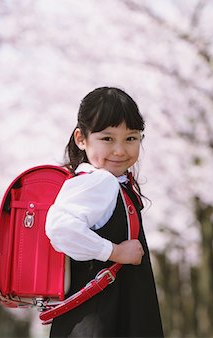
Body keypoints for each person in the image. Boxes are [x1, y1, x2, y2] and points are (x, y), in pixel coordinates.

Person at [45, 87, 164, 338]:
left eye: (131, 138)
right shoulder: (100, 182)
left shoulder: (114, 183)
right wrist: (115, 251)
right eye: (107, 139)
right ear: (81, 138)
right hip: (101, 322)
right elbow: (60, 228)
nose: (120, 150)